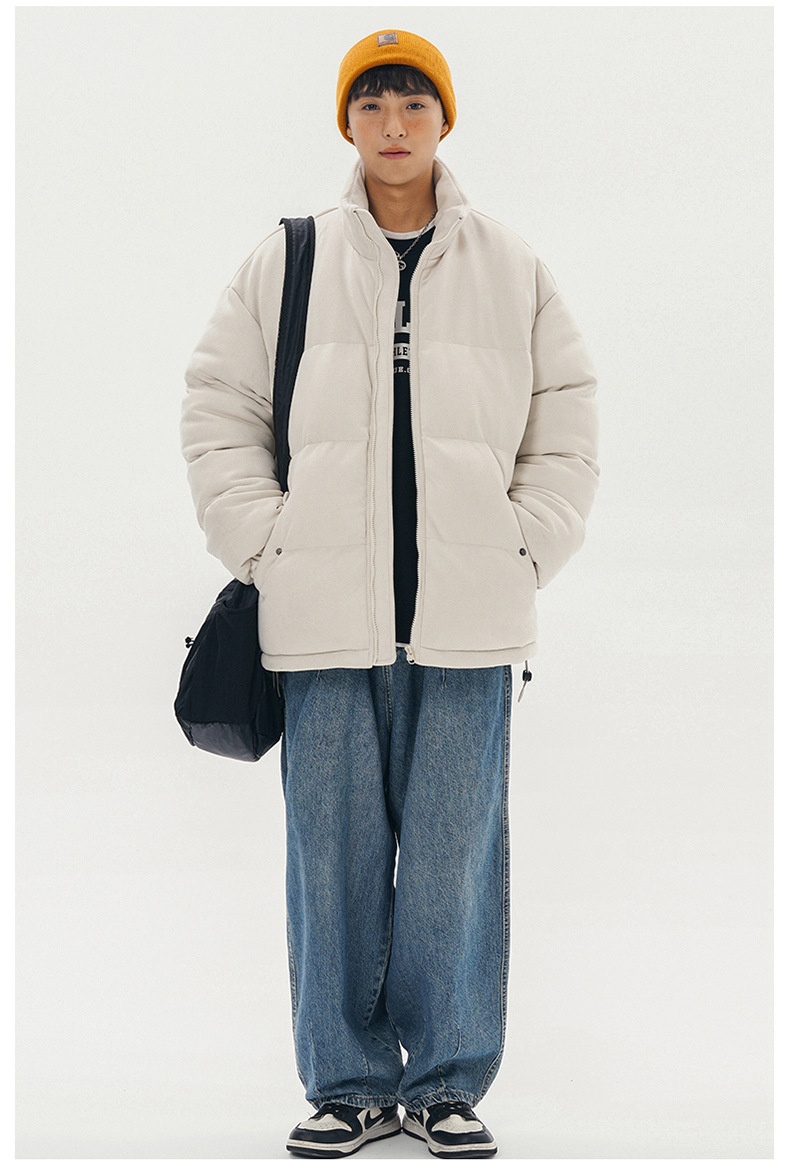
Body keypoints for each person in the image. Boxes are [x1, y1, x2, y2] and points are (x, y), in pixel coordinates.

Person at [181, 28, 599, 1160]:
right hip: (319, 622)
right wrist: (265, 543)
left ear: (444, 120)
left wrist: (525, 548)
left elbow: (566, 419)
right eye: (372, 103)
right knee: (331, 861)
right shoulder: (290, 257)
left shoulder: (510, 263)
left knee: (457, 858)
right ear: (347, 124)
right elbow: (218, 405)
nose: (395, 123)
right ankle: (349, 1084)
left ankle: (449, 1081)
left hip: (470, 619)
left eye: (415, 101)